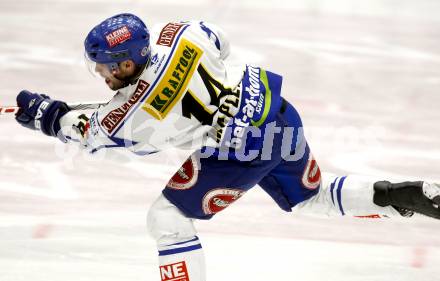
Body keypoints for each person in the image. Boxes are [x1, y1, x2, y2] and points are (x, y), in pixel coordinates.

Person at [14, 13, 440, 281]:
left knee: (167, 219)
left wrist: (47, 115)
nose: (103, 76)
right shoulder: (179, 32)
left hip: (241, 149)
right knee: (313, 197)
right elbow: (220, 41)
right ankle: (398, 195)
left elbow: (97, 135)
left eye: (107, 68)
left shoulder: (137, 113)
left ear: (127, 62)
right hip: (277, 114)